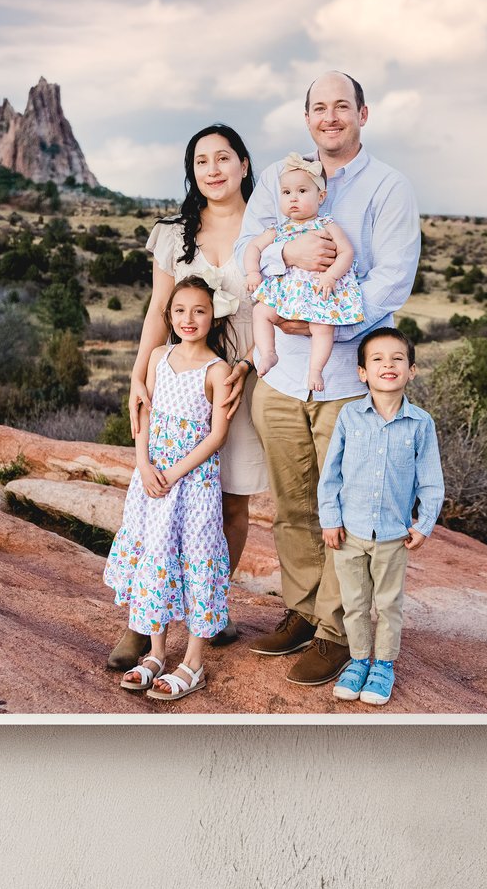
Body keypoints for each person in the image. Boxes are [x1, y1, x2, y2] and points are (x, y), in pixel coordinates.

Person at [235, 73, 421, 689]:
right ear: (307, 116)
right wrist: (287, 258)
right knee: (292, 505)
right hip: (282, 377)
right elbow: (250, 246)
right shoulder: (280, 177)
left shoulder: (388, 188)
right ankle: (302, 607)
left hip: (347, 379)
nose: (331, 116)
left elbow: (392, 278)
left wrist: (323, 322)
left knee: (344, 509)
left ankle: (338, 632)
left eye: (343, 106)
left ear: (362, 113)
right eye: (320, 107)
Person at [109, 125, 260, 672]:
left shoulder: (268, 228)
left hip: (244, 375)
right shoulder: (174, 235)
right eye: (202, 160)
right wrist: (138, 375)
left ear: (244, 164)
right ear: (191, 171)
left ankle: (205, 616)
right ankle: (142, 626)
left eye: (224, 158)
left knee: (230, 500)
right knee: (156, 507)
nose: (214, 169)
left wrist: (246, 364)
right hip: (179, 376)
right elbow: (157, 309)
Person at [102, 275, 238, 705]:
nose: (189, 319)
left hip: (192, 483)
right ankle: (158, 653)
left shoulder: (217, 370)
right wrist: (143, 463)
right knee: (154, 557)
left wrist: (175, 472)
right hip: (152, 480)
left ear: (213, 315)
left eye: (199, 310)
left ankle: (194, 661)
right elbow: (144, 414)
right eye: (180, 311)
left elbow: (217, 435)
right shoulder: (159, 357)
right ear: (169, 316)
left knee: (197, 559)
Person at [317, 326, 443, 709]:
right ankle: (358, 661)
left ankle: (384, 665)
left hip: (392, 534)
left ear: (412, 370)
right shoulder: (349, 416)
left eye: (397, 359)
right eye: (377, 359)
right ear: (362, 373)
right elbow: (331, 474)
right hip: (350, 531)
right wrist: (330, 519)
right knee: (355, 603)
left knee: (388, 604)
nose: (387, 365)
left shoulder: (421, 423)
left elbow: (431, 480)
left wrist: (424, 524)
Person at [249, 156, 362, 388]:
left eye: (302, 191)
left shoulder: (326, 224)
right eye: (286, 192)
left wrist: (331, 276)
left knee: (323, 327)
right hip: (285, 294)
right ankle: (268, 352)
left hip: (317, 290)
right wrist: (252, 272)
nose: (293, 198)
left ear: (321, 197)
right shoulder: (278, 229)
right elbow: (252, 247)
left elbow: (346, 252)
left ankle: (315, 370)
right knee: (261, 311)